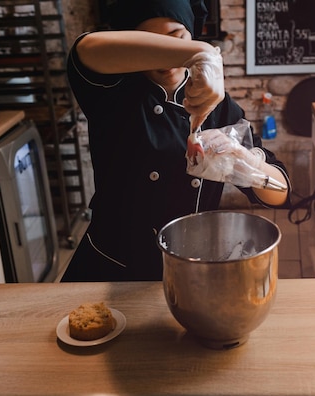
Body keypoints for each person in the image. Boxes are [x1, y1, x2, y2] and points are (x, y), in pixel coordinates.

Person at [61, 0, 291, 282]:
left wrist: (245, 163)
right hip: (110, 265)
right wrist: (204, 52)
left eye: (176, 38)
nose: (166, 57)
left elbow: (281, 192)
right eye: (152, 43)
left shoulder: (219, 108)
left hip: (187, 268)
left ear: (191, 32)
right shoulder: (111, 91)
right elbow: (83, 51)